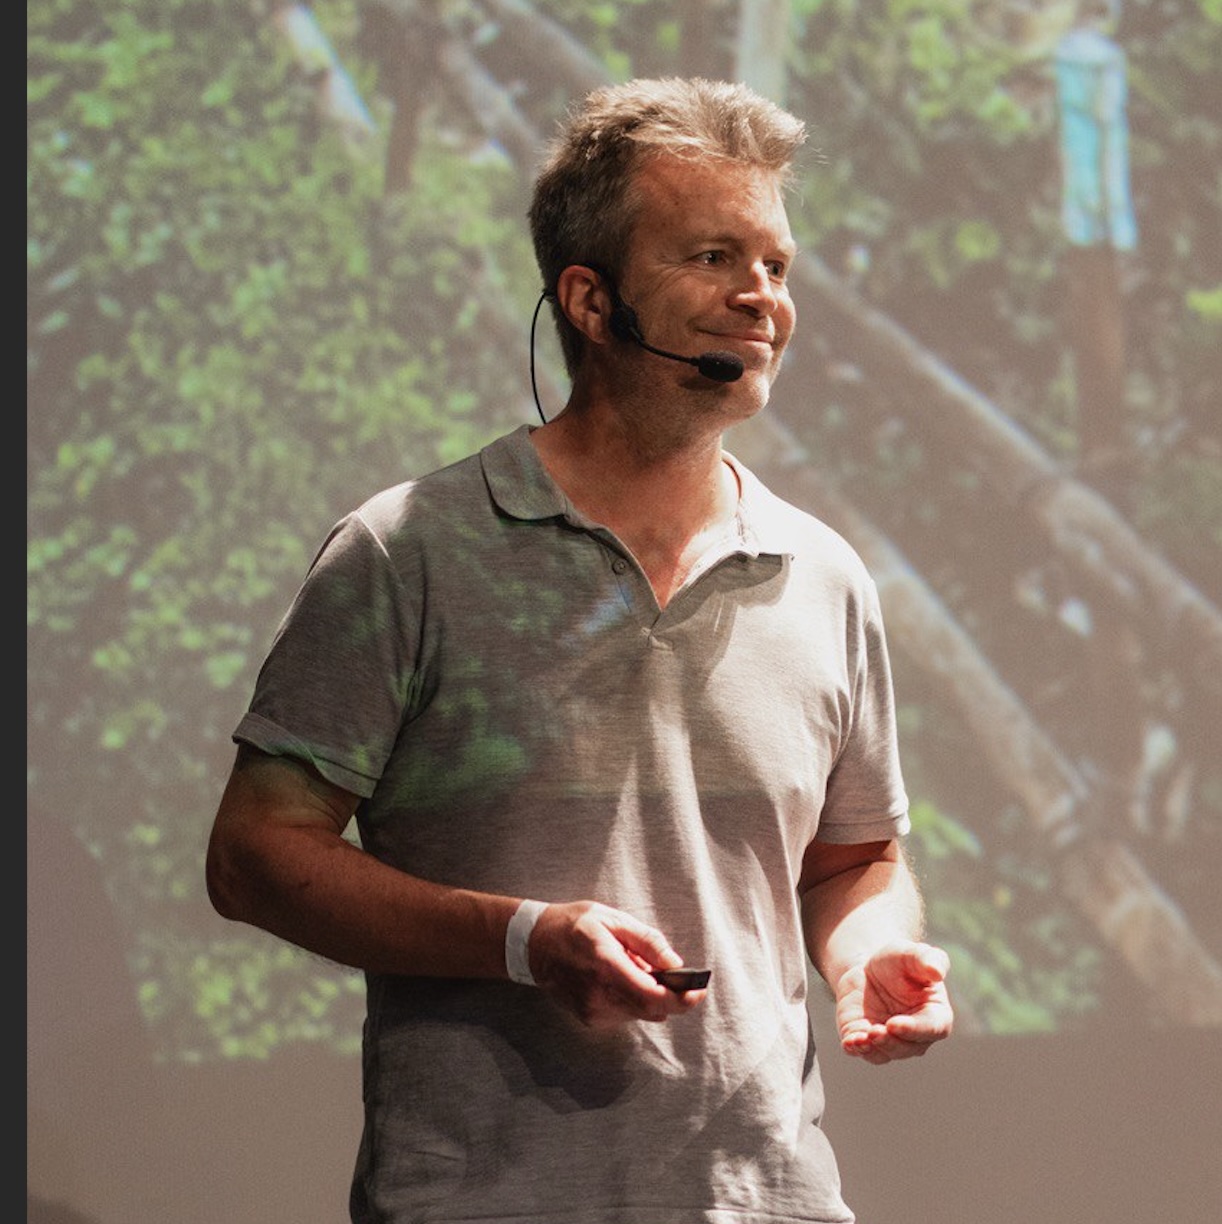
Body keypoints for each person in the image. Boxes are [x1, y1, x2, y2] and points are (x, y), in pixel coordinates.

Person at [206, 75, 953, 1223]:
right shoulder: (410, 551)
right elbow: (255, 856)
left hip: (769, 1200)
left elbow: (853, 859)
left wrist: (867, 955)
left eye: (775, 264)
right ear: (592, 302)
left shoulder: (820, 575)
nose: (760, 296)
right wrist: (522, 942)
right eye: (712, 257)